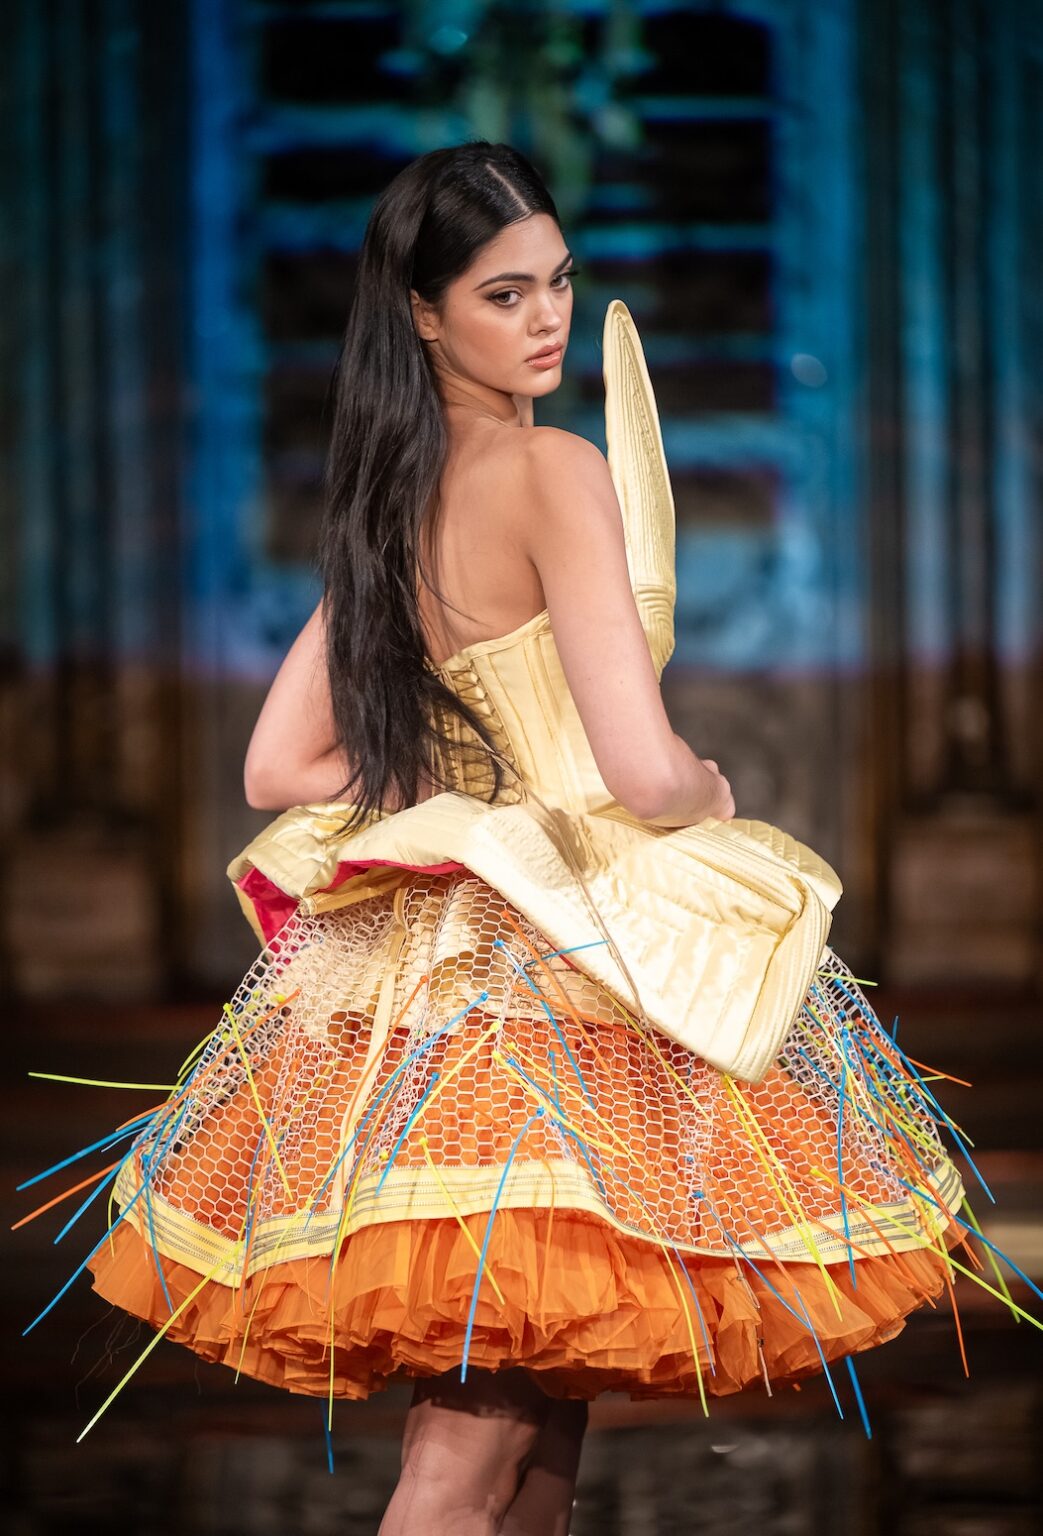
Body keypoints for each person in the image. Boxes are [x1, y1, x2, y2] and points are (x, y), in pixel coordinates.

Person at [23, 141, 1041, 1535]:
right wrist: (707, 789)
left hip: (441, 973)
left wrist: (459, 804)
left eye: (560, 283)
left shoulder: (390, 494)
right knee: (478, 1436)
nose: (550, 316)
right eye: (507, 294)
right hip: (567, 968)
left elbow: (278, 764)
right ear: (428, 315)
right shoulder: (555, 468)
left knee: (536, 1421)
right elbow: (635, 764)